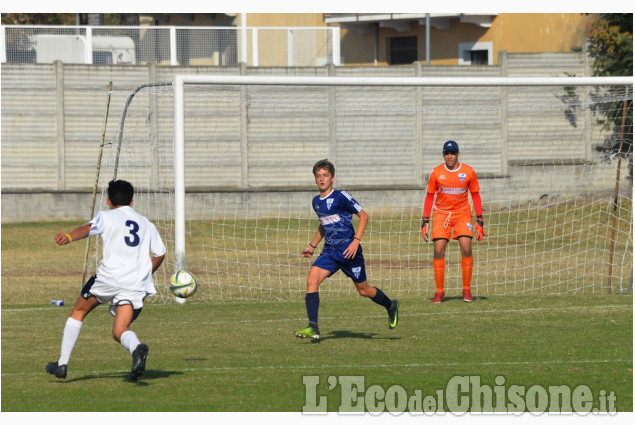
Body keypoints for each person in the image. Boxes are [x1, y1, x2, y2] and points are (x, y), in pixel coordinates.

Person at [46, 180, 166, 381]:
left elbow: (87, 228)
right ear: (132, 201)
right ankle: (137, 348)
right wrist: (145, 273)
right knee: (120, 330)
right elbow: (160, 253)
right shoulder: (146, 223)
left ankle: (62, 363)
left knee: (78, 311)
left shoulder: (106, 216)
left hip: (109, 279)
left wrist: (68, 236)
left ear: (108, 201)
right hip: (135, 284)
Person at [295, 159, 399, 340]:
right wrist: (312, 245)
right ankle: (313, 326)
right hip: (329, 252)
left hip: (349, 252)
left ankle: (390, 305)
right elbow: (324, 224)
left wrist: (356, 241)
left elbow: (364, 215)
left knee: (364, 290)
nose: (321, 179)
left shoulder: (341, 196)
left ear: (332, 178)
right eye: (318, 176)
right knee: (311, 281)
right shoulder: (316, 202)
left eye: (325, 176)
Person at [421, 140, 485, 303]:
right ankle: (439, 292)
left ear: (458, 154)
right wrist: (425, 221)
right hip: (441, 214)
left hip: (462, 214)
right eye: (446, 153)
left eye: (452, 153)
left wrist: (480, 219)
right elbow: (429, 197)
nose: (449, 157)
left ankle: (467, 290)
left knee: (466, 248)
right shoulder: (436, 172)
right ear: (443, 155)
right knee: (438, 250)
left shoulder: (468, 172)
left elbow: (475, 195)